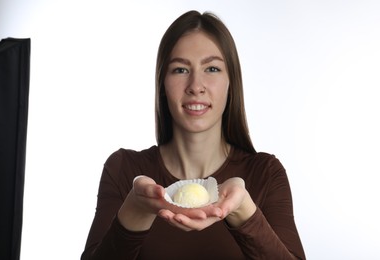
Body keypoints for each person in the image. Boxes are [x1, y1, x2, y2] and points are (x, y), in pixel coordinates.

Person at [81, 10, 306, 260]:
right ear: (162, 83)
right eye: (180, 70)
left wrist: (243, 210)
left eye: (211, 68)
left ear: (231, 82)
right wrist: (136, 208)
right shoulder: (123, 169)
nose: (196, 86)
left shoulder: (265, 173)